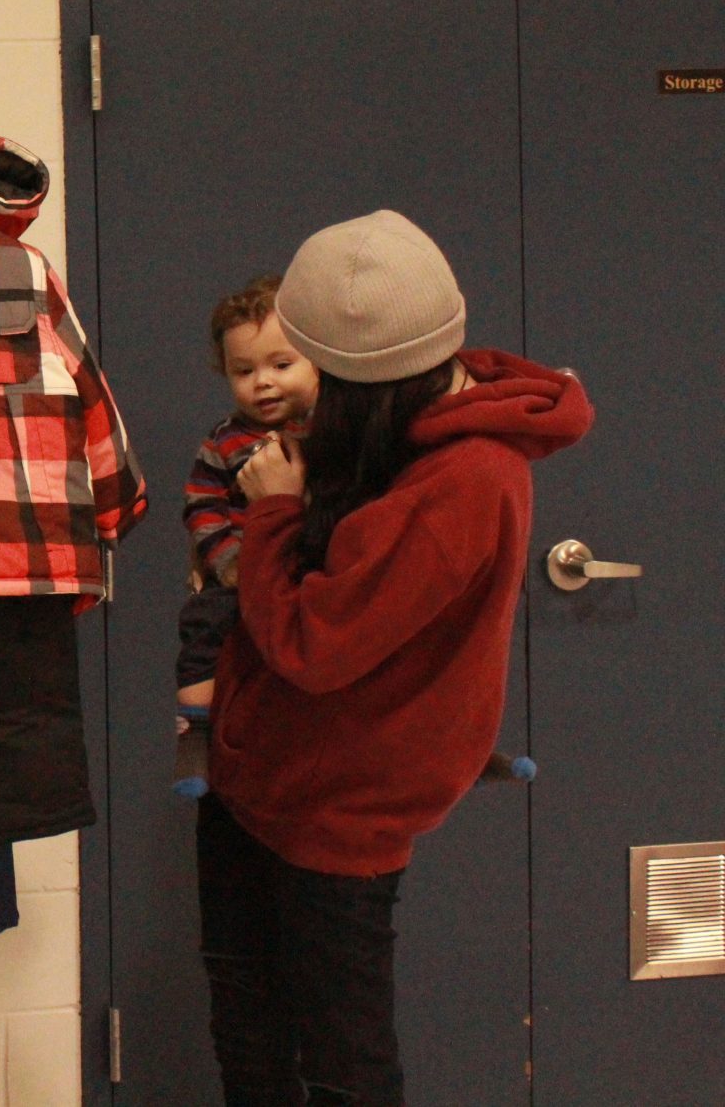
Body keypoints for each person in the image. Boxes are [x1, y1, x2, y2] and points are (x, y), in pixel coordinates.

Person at [197, 210, 592, 1106]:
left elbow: (312, 643)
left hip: (338, 808)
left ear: (360, 374)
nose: (293, 391)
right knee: (250, 1036)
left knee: (346, 1068)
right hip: (260, 780)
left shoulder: (464, 477)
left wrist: (273, 510)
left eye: (311, 369)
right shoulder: (399, 429)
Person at [173, 274, 318, 797]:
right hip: (240, 576)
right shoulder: (224, 441)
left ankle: (448, 744)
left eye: (281, 365)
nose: (263, 383)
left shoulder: (332, 430)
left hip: (316, 577)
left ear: (318, 360)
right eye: (244, 370)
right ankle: (194, 733)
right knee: (202, 624)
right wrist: (229, 563)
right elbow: (202, 506)